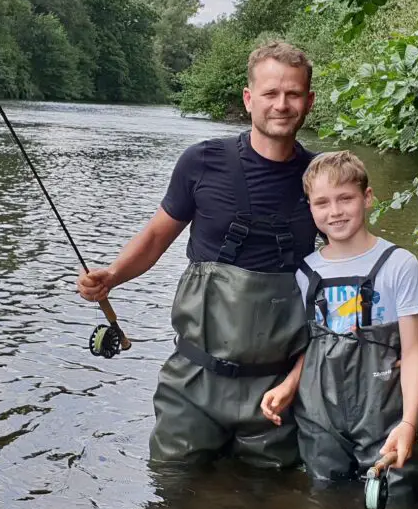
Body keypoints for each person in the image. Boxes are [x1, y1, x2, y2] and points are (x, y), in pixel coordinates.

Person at [77, 41, 319, 467]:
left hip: (279, 390)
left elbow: (349, 273)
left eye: (293, 94)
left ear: (309, 101)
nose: (281, 105)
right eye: (270, 93)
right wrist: (111, 277)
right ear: (249, 99)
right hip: (193, 381)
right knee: (171, 492)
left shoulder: (322, 183)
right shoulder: (201, 162)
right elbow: (155, 238)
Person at [260, 150, 418, 504]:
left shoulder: (400, 265)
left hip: (384, 415)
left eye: (345, 199)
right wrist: (290, 385)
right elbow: (312, 342)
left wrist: (409, 425)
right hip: (319, 415)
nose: (335, 211)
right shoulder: (305, 272)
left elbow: (414, 349)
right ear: (310, 208)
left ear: (367, 198)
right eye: (322, 202)